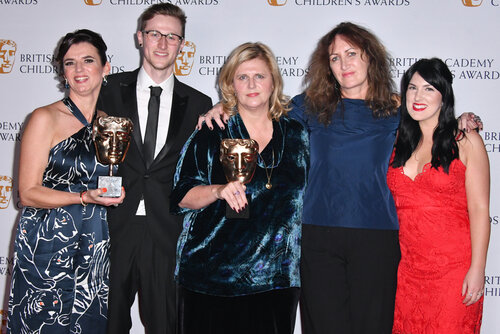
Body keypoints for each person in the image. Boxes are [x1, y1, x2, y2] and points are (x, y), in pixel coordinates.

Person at [198, 22, 482, 334]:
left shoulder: (395, 108)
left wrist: (462, 119)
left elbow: (431, 114)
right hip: (318, 235)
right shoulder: (309, 105)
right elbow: (259, 108)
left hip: (377, 236)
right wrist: (222, 106)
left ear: (370, 58)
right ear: (327, 65)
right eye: (335, 58)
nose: (343, 64)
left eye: (351, 54)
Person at [171, 42, 309, 334]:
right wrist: (218, 191)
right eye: (242, 77)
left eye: (259, 76)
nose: (251, 84)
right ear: (230, 84)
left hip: (276, 279)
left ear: (273, 81)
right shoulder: (212, 131)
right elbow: (181, 195)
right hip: (212, 278)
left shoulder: (297, 134)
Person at [97, 3, 212, 333]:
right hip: (112, 226)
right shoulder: (107, 89)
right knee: (107, 323)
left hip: (167, 230)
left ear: (181, 44)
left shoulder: (200, 104)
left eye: (172, 36)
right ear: (139, 37)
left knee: (166, 324)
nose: (163, 43)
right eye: (154, 34)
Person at [7, 29, 124, 334]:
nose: (79, 70)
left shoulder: (111, 124)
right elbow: (27, 193)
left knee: (88, 323)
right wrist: (83, 197)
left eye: (88, 60)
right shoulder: (44, 118)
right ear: (63, 71)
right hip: (47, 241)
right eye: (70, 63)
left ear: (105, 67)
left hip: (95, 239)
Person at [387, 58, 490, 334]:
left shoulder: (466, 140)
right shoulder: (395, 142)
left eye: (429, 88)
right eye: (412, 87)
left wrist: (478, 269)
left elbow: (480, 209)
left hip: (454, 274)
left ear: (444, 95)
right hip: (407, 274)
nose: (418, 96)